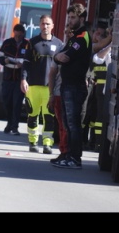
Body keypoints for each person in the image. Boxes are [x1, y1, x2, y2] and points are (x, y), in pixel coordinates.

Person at [52, 3, 92, 169]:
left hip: (75, 87)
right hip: (67, 85)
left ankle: (75, 158)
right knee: (68, 124)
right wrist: (57, 57)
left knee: (74, 124)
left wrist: (59, 56)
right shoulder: (74, 37)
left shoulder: (83, 37)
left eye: (73, 17)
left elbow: (67, 56)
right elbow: (57, 57)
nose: (70, 20)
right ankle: (68, 155)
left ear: (82, 18)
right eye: (69, 17)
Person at [20, 15, 64, 154]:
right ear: (39, 25)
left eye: (47, 24)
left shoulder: (59, 44)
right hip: (33, 85)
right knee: (32, 115)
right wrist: (23, 79)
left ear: (52, 26)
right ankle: (33, 142)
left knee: (49, 116)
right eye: (43, 24)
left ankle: (47, 144)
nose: (45, 26)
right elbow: (26, 63)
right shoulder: (32, 42)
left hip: (49, 87)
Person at [83, 21, 112, 152]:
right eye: (97, 33)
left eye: (101, 34)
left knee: (99, 116)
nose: (98, 36)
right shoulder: (96, 48)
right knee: (89, 115)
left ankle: (97, 142)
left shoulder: (109, 48)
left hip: (103, 87)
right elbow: (97, 60)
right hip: (95, 86)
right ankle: (91, 141)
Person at [0, 23, 29, 136]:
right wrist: (3, 60)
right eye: (16, 35)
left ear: (23, 34)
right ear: (14, 33)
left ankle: (15, 127)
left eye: (20, 36)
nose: (18, 38)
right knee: (7, 101)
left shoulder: (27, 44)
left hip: (20, 79)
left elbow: (29, 60)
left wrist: (23, 65)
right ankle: (9, 122)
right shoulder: (7, 43)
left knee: (17, 103)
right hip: (8, 77)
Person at [48, 24, 72, 165]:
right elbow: (52, 73)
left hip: (72, 92)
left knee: (70, 125)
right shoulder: (60, 49)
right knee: (62, 125)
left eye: (71, 32)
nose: (68, 34)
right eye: (66, 32)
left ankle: (69, 153)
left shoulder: (80, 49)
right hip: (58, 93)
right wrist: (51, 94)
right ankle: (63, 152)